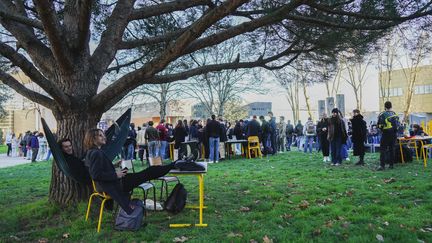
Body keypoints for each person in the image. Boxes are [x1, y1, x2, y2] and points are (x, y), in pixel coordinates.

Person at [84, 129, 176, 215]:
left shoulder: (92, 152)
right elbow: (96, 175)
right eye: (100, 135)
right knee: (148, 172)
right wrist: (116, 174)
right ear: (93, 139)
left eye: (103, 134)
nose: (104, 137)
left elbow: (99, 169)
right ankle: (173, 165)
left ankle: (172, 165)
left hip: (114, 182)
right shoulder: (96, 153)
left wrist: (115, 166)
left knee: (147, 173)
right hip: (115, 184)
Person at [377, 101, 399, 170]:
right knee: (392, 149)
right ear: (391, 106)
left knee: (383, 149)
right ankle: (391, 165)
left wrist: (382, 129)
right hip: (394, 134)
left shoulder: (382, 114)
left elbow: (380, 125)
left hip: (386, 134)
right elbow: (398, 124)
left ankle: (382, 166)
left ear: (385, 107)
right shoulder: (395, 114)